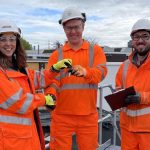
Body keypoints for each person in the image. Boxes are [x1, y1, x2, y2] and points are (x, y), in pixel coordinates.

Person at [0, 19, 72, 150]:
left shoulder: (19, 67)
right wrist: (45, 99)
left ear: (17, 42)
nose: (8, 44)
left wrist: (54, 69)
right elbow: (19, 102)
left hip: (27, 136)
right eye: (3, 39)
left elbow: (38, 79)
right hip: (9, 141)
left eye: (12, 39)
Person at [45, 7, 107, 150]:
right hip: (61, 115)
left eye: (76, 27)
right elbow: (52, 81)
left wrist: (86, 72)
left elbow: (101, 73)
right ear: (64, 29)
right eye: (68, 28)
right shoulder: (56, 55)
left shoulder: (95, 51)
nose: (73, 31)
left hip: (88, 115)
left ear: (83, 26)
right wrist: (50, 96)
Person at [115, 18, 150, 150]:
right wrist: (118, 97)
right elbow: (118, 88)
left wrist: (141, 98)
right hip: (127, 129)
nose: (140, 40)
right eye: (136, 37)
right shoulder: (124, 66)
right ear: (132, 41)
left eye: (145, 36)